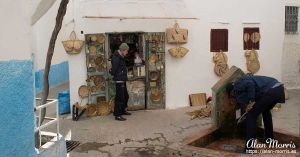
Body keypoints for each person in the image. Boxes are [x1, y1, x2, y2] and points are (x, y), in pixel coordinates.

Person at [226, 75, 285, 152]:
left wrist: (251, 101)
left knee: (251, 116)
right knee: (266, 112)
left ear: (232, 89)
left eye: (232, 94)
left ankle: (249, 148)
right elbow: (257, 93)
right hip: (279, 89)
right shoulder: (247, 80)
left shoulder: (237, 84)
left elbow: (250, 84)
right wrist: (250, 103)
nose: (234, 96)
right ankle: (269, 140)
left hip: (271, 90)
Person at [110, 43, 132, 121]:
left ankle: (122, 110)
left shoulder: (120, 56)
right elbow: (114, 69)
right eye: (126, 51)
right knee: (120, 98)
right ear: (123, 50)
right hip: (119, 80)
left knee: (125, 96)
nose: (127, 52)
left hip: (122, 79)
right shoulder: (116, 57)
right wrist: (112, 73)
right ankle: (118, 115)